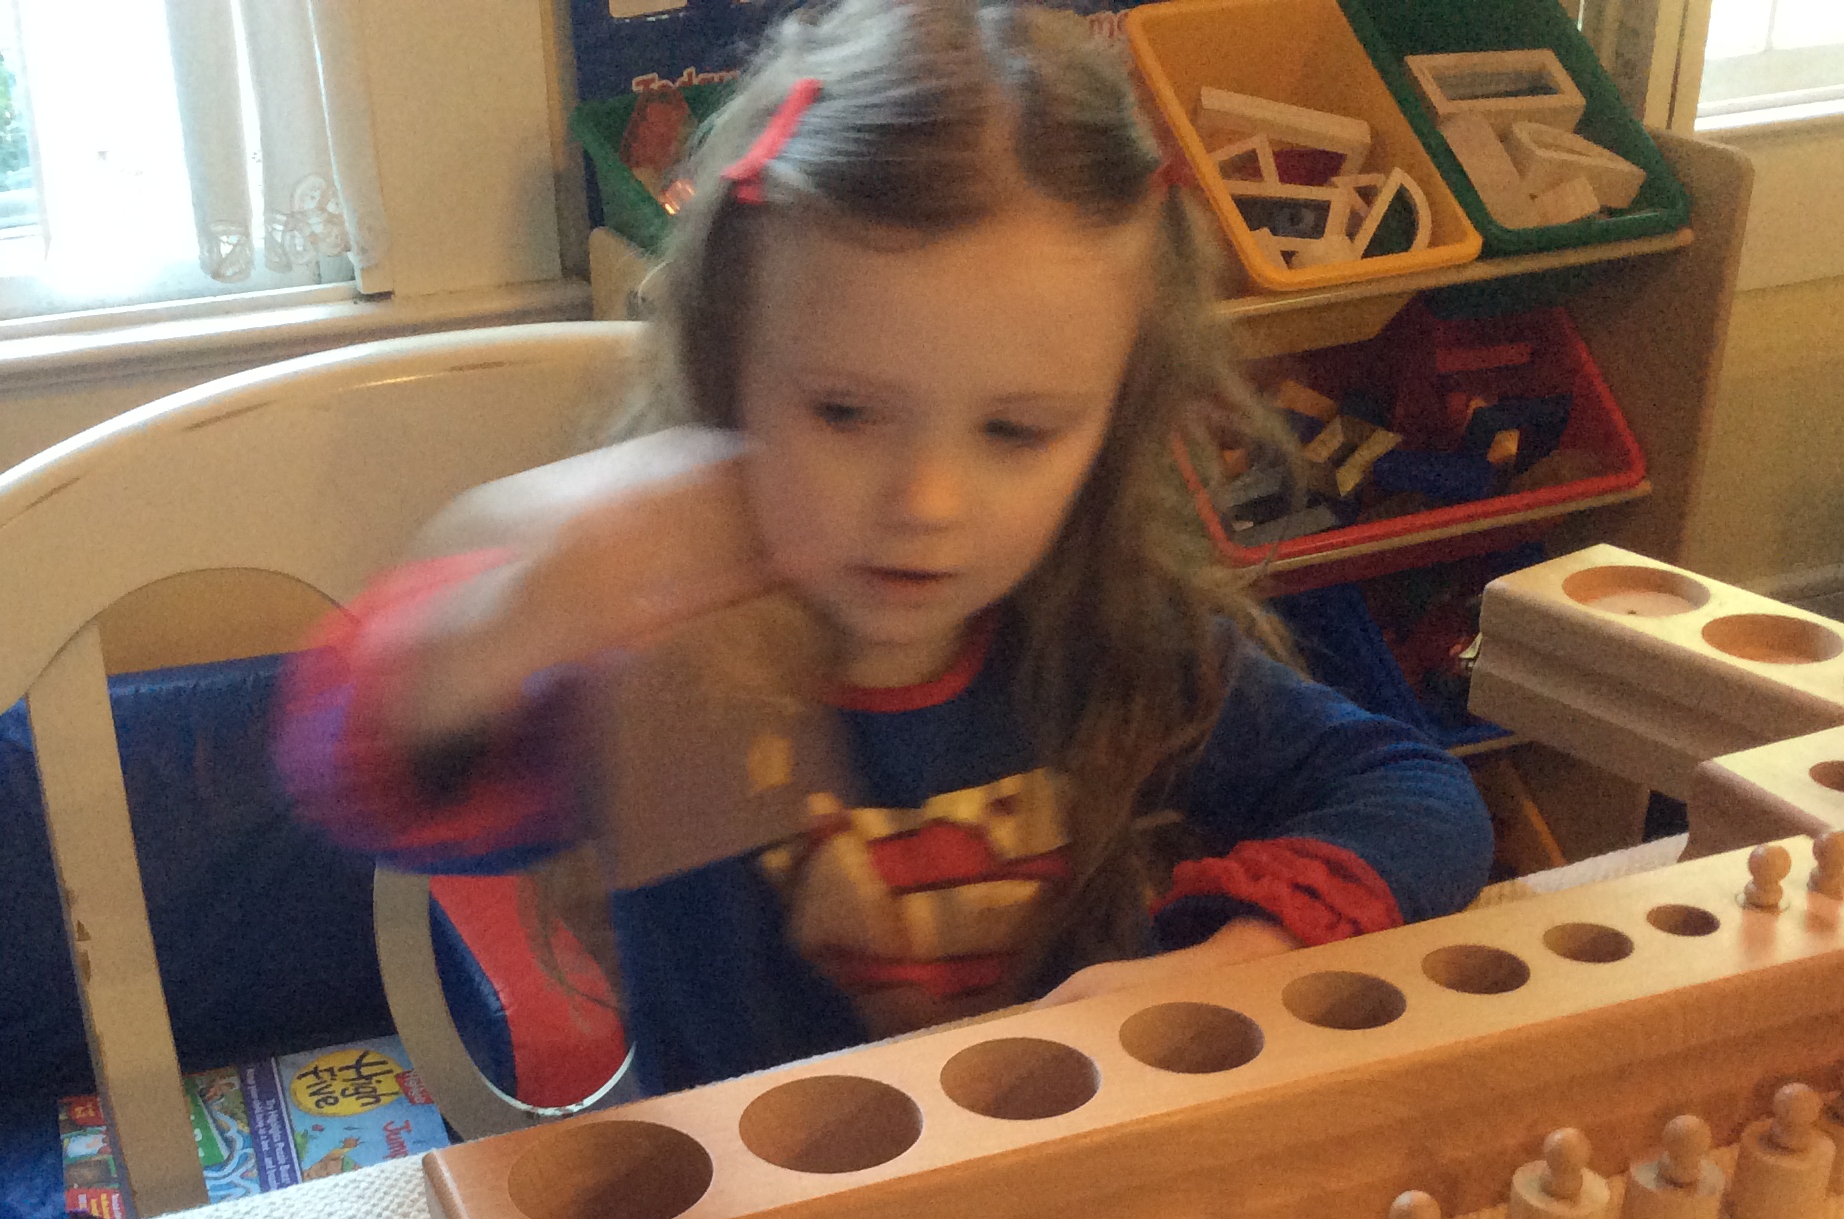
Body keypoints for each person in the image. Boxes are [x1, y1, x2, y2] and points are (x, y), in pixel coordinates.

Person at [277, 0, 1492, 1099]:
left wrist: (1226, 964)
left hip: (1057, 1200)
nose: (925, 501)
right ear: (731, 367)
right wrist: (513, 612)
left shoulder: (1116, 635)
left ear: (1114, 420)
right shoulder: (668, 659)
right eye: (846, 412)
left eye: (1016, 431)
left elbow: (1420, 794)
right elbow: (361, 777)